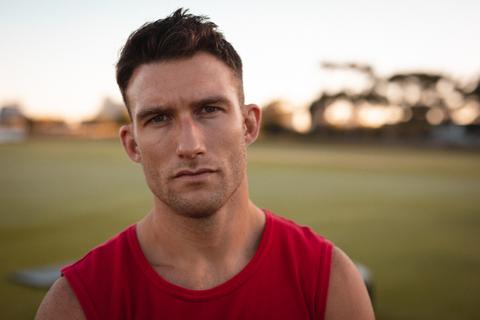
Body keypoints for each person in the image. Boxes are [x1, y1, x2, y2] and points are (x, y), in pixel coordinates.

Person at [36, 8, 374, 320]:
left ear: (249, 125)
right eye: (158, 118)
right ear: (132, 144)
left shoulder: (328, 280)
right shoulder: (75, 302)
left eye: (209, 109)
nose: (190, 145)